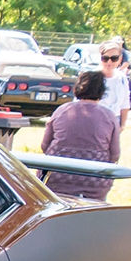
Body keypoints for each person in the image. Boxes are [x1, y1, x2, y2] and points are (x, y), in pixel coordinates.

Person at [39, 71, 120, 201]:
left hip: (56, 175)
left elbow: (45, 145)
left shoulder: (62, 110)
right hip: (94, 179)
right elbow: (115, 154)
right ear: (102, 91)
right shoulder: (109, 116)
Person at [96, 40, 131, 127]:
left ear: (120, 59)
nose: (109, 62)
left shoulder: (122, 78)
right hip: (95, 119)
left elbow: (125, 103)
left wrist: (122, 125)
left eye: (114, 58)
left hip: (114, 120)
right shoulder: (92, 76)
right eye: (105, 58)